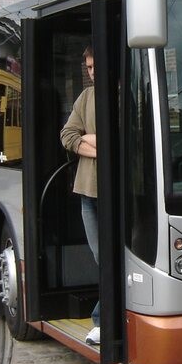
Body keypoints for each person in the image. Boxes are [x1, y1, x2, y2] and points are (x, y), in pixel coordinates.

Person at [59, 46, 100, 346]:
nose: (92, 72)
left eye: (96, 66)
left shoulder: (129, 91)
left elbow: (127, 136)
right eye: (88, 67)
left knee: (112, 257)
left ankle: (102, 318)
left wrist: (89, 138)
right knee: (102, 257)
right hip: (88, 191)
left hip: (119, 193)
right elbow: (68, 135)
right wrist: (99, 148)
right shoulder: (86, 97)